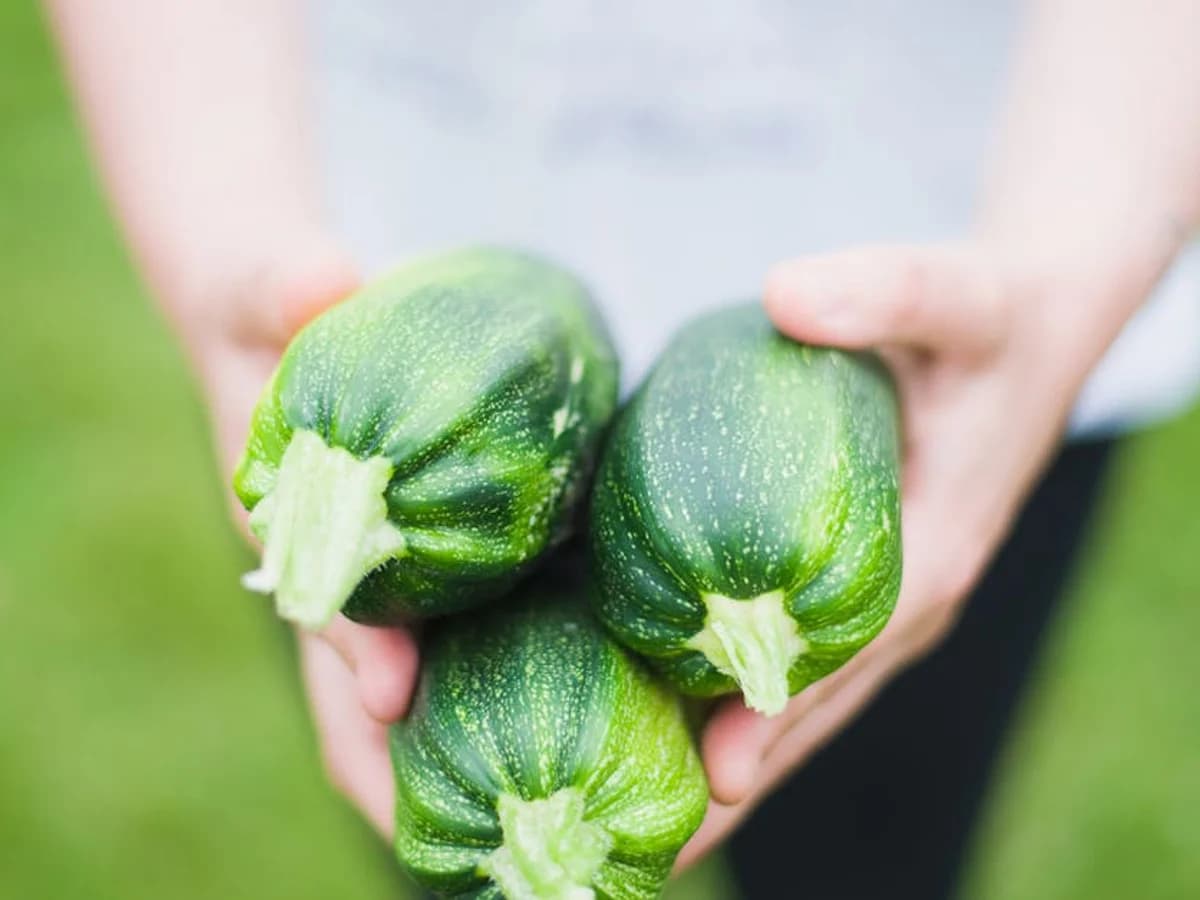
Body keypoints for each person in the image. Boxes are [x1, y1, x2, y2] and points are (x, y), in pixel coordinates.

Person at [46, 1, 1200, 896]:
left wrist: (1071, 264)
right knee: (445, 794)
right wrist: (223, 242)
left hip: (979, 274)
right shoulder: (346, 430)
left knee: (876, 846)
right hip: (389, 273)